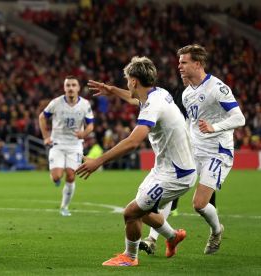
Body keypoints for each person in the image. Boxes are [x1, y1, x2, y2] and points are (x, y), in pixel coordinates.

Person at [77, 56, 197, 267]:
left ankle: (130, 257)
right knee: (144, 210)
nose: (126, 84)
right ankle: (173, 237)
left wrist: (98, 161)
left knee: (131, 213)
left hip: (176, 174)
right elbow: (134, 99)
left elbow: (133, 141)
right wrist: (112, 89)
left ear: (134, 81)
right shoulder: (159, 93)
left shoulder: (153, 105)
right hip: (166, 168)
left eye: (127, 80)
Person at [178, 44, 244, 254]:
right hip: (195, 152)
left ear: (197, 64)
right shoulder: (187, 93)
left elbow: (239, 118)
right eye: (179, 62)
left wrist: (215, 127)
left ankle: (216, 231)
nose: (179, 66)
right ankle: (154, 237)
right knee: (171, 187)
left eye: (183, 62)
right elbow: (190, 122)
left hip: (217, 152)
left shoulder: (217, 88)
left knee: (198, 204)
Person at [38, 75, 94, 216]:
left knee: (70, 176)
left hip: (75, 145)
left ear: (78, 88)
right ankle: (56, 179)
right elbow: (42, 117)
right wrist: (46, 137)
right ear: (64, 88)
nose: (70, 88)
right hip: (57, 143)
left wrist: (84, 133)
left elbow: (91, 125)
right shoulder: (56, 103)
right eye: (68, 85)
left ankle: (64, 207)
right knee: (57, 176)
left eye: (73, 85)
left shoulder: (85, 104)